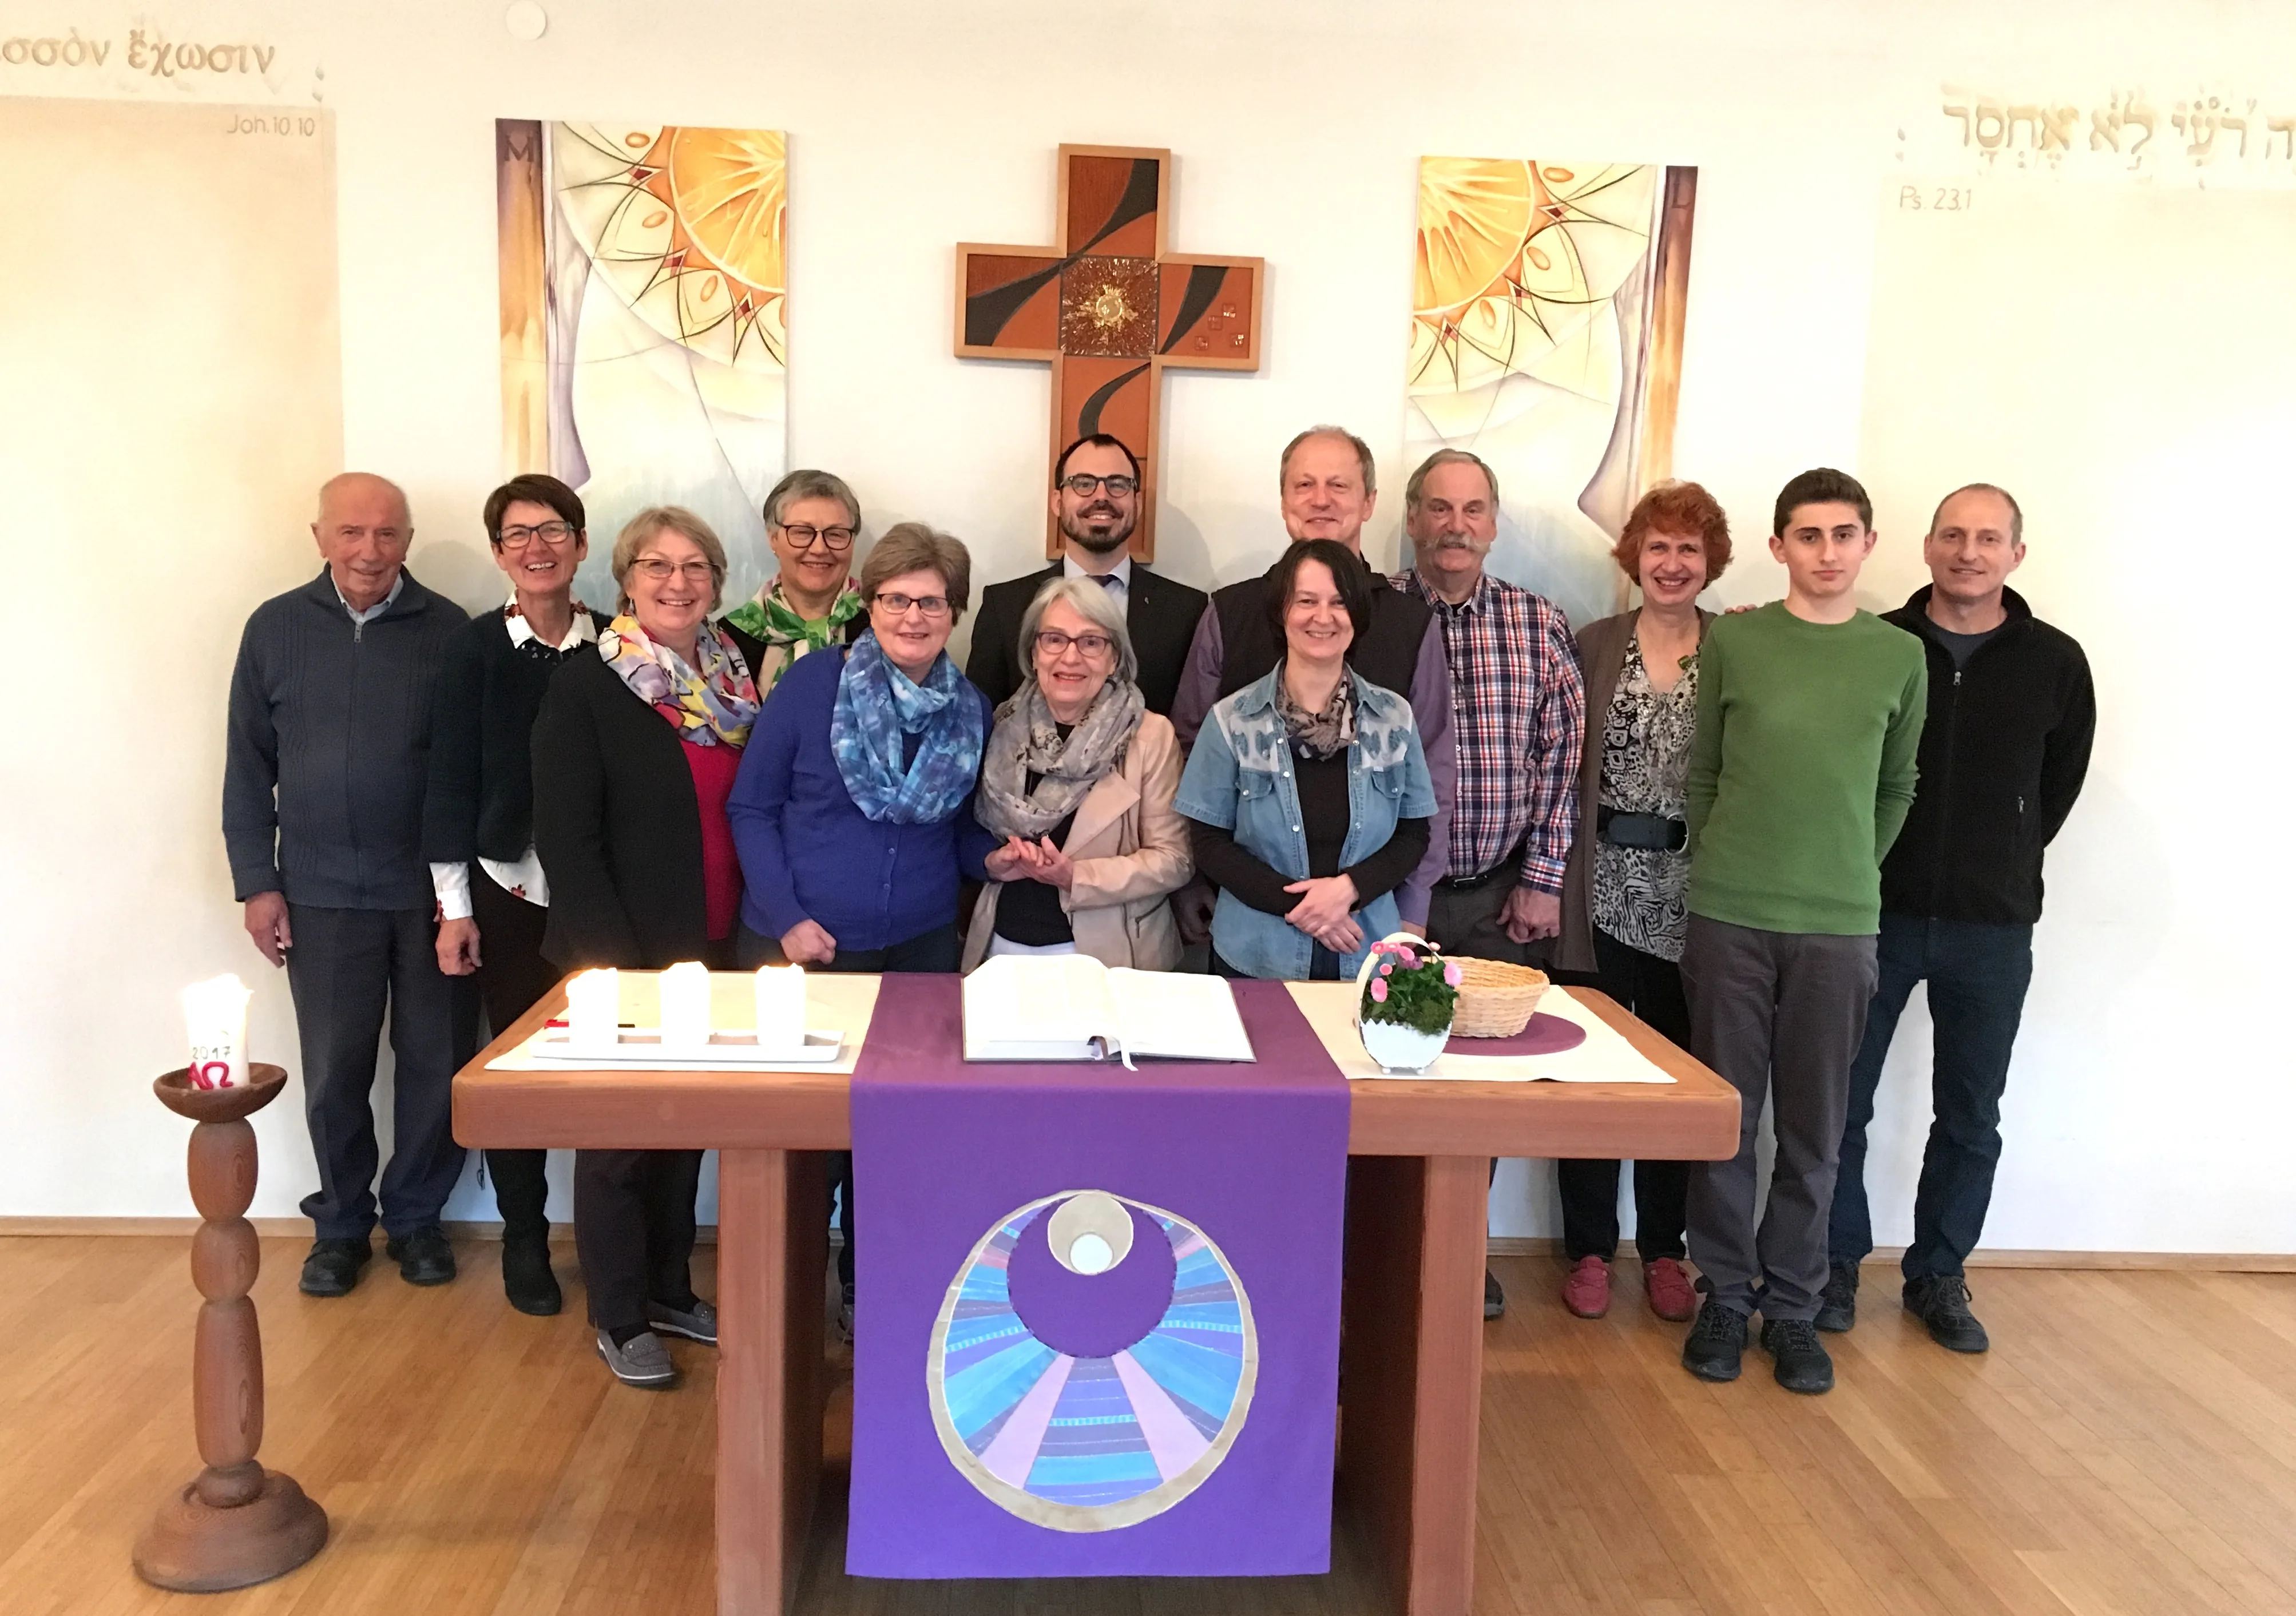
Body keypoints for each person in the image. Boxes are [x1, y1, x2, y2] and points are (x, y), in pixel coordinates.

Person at [1821, 483, 2095, 1353]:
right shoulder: (1877, 646)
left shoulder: (2054, 662)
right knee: (1840, 1104)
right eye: (1952, 535)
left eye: (1987, 538)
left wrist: (2002, 853)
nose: (1967, 551)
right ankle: (1831, 1266)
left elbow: (2055, 788)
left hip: (1992, 926)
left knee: (1970, 1113)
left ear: (2016, 554)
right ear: (1927, 546)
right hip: (1875, 913)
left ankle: (1937, 1275)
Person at [1678, 468, 1926, 1396]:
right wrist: (1728, 861)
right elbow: (1702, 774)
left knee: (1815, 1130)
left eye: (1843, 534)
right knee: (1726, 1123)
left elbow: (1896, 784)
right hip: (1730, 916)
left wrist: (1850, 865)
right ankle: (1723, 1296)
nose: (1826, 552)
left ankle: (1790, 1307)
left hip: (1837, 926)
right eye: (1807, 535)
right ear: (1778, 547)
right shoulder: (1735, 644)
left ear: (1866, 545)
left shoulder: (1895, 657)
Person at [728, 522, 996, 1338]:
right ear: (867, 604)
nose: (911, 616)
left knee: (897, 1141)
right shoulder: (814, 685)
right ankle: (784, 1310)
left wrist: (1003, 859)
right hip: (806, 947)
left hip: (916, 952)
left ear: (954, 611)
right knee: (802, 1149)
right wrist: (787, 919)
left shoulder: (970, 707)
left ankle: (876, 1298)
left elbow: (952, 834)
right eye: (893, 599)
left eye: (929, 601)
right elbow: (752, 806)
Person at [224, 473, 475, 1299]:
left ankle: (415, 1218)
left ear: (408, 539)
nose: (370, 551)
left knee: (436, 1064)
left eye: (388, 534)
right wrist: (258, 882)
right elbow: (247, 766)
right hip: (321, 894)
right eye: (353, 533)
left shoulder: (448, 631)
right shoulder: (275, 628)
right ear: (320, 536)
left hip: (430, 895)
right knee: (334, 1070)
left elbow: (468, 770)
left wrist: (459, 897)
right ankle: (339, 1226)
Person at [532, 506, 761, 1389]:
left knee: (687, 1128)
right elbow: (569, 838)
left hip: (717, 935)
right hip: (623, 951)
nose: (678, 582)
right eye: (658, 566)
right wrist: (615, 967)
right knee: (622, 1135)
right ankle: (619, 1313)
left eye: (696, 566)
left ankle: (668, 1287)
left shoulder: (732, 673)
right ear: (625, 578)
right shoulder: (587, 684)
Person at [1390, 448, 1587, 1321]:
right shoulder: (1377, 615)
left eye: (1472, 510)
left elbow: (1561, 763)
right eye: (1438, 509)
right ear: (1410, 520)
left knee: (1479, 1083)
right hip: (1397, 891)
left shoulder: (1538, 624)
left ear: (1494, 523)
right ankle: (1391, 1249)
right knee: (1388, 1066)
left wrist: (1543, 880)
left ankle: (1464, 1250)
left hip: (1494, 893)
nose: (1455, 526)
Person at [422, 473, 608, 1316]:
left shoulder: (619, 642)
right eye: (519, 535)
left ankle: (614, 1244)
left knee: (613, 1069)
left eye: (554, 530)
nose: (538, 548)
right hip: (505, 887)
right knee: (520, 1067)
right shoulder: (471, 649)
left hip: (602, 893)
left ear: (580, 541)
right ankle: (525, 1235)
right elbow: (448, 782)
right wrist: (454, 906)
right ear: (500, 552)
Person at [1551, 482, 1731, 1327]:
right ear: (1634, 556)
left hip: (1692, 899)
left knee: (1676, 1081)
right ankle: (1588, 1248)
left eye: (1687, 550)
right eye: (1657, 547)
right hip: (1596, 890)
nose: (1670, 563)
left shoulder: (1737, 650)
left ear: (1710, 563)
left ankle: (1666, 1248)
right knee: (1589, 1078)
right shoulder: (1591, 645)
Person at [1169, 427, 1456, 937]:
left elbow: (1431, 773)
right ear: (1283, 501)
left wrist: (1413, 906)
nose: (1320, 499)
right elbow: (1188, 751)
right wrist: (1190, 881)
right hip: (1246, 917)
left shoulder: (1411, 624)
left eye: (1338, 486)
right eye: (1303, 485)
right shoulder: (1227, 612)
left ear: (1369, 502)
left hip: (1375, 918)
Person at [1174, 539, 1436, 982]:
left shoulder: (1394, 717)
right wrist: (1307, 908)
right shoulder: (1232, 720)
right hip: (1254, 955)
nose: (1322, 617)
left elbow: (1414, 832)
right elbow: (1208, 841)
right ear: (1281, 611)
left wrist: (1347, 893)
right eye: (1306, 601)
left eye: (1338, 603)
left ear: (1357, 615)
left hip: (1366, 952)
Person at [963, 576, 1191, 968]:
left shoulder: (1149, 736)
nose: (1070, 658)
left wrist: (1076, 876)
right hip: (1001, 948)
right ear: (1033, 653)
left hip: (1110, 958)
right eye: (1054, 639)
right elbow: (967, 831)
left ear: (1114, 658)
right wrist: (991, 860)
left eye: (1090, 642)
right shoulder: (1000, 726)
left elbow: (1175, 860)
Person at [968, 434, 1210, 717]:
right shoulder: (1004, 607)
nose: (1101, 496)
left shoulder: (1188, 611)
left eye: (1118, 484)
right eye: (1083, 483)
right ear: (1057, 501)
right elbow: (979, 724)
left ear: (1138, 502)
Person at [720, 468, 869, 694]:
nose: (819, 549)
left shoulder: (883, 624)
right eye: (802, 532)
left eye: (836, 534)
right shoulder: (728, 640)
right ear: (773, 539)